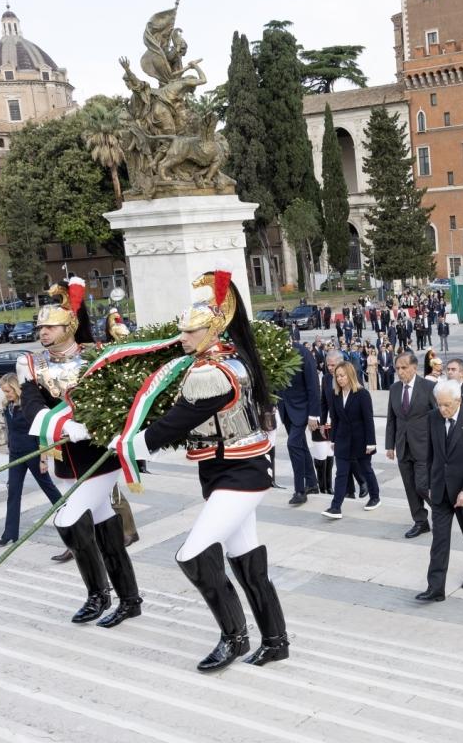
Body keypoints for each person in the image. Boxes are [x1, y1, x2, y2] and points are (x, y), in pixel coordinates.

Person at [122, 271, 289, 671]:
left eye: (190, 332)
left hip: (240, 473)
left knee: (192, 553)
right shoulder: (223, 358)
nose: (182, 338)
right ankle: (275, 640)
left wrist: (132, 443)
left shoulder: (212, 371)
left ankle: (234, 637)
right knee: (245, 557)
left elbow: (179, 420)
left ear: (212, 330)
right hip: (228, 469)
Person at [18, 277, 140, 626]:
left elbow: (121, 397)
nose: (43, 331)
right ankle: (129, 599)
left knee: (67, 519)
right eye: (40, 326)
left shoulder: (96, 355)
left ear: (69, 325)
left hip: (101, 456)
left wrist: (96, 425)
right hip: (69, 456)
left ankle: (98, 595)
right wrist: (60, 427)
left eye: (50, 326)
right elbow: (30, 404)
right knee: (105, 528)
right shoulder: (33, 364)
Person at [415, 379, 463, 602]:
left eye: (447, 405)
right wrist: (427, 482)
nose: (442, 409)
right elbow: (430, 454)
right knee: (439, 540)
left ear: (458, 400)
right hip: (440, 490)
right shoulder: (432, 418)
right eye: (439, 404)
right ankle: (435, 588)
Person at [0, 373, 63, 546]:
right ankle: (10, 533)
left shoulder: (28, 407)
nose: (7, 394)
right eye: (4, 392)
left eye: (8, 391)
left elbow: (41, 433)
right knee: (13, 491)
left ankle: (69, 515)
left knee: (48, 488)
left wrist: (43, 459)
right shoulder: (8, 406)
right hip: (15, 454)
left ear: (16, 388)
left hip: (32, 453)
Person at [386, 351, 437, 538]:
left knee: (422, 486)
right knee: (409, 486)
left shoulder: (429, 387)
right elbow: (392, 419)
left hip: (424, 446)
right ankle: (420, 522)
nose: (400, 372)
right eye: (397, 368)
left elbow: (439, 416)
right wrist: (389, 445)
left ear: (415, 368)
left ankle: (442, 512)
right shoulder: (394, 389)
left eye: (404, 368)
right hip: (403, 446)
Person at [321, 361, 381, 519]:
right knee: (341, 473)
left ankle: (375, 497)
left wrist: (371, 442)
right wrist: (332, 440)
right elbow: (334, 419)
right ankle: (335, 507)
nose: (339, 379)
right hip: (341, 439)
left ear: (350, 375)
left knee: (366, 469)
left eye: (342, 375)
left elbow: (368, 420)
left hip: (360, 439)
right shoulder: (335, 395)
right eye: (337, 376)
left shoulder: (362, 394)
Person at [279, 341, 321, 505]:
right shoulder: (275, 351)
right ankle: (312, 482)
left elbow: (313, 385)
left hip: (302, 408)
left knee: (293, 444)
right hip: (286, 409)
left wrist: (314, 414)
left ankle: (299, 490)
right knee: (300, 445)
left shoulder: (303, 352)